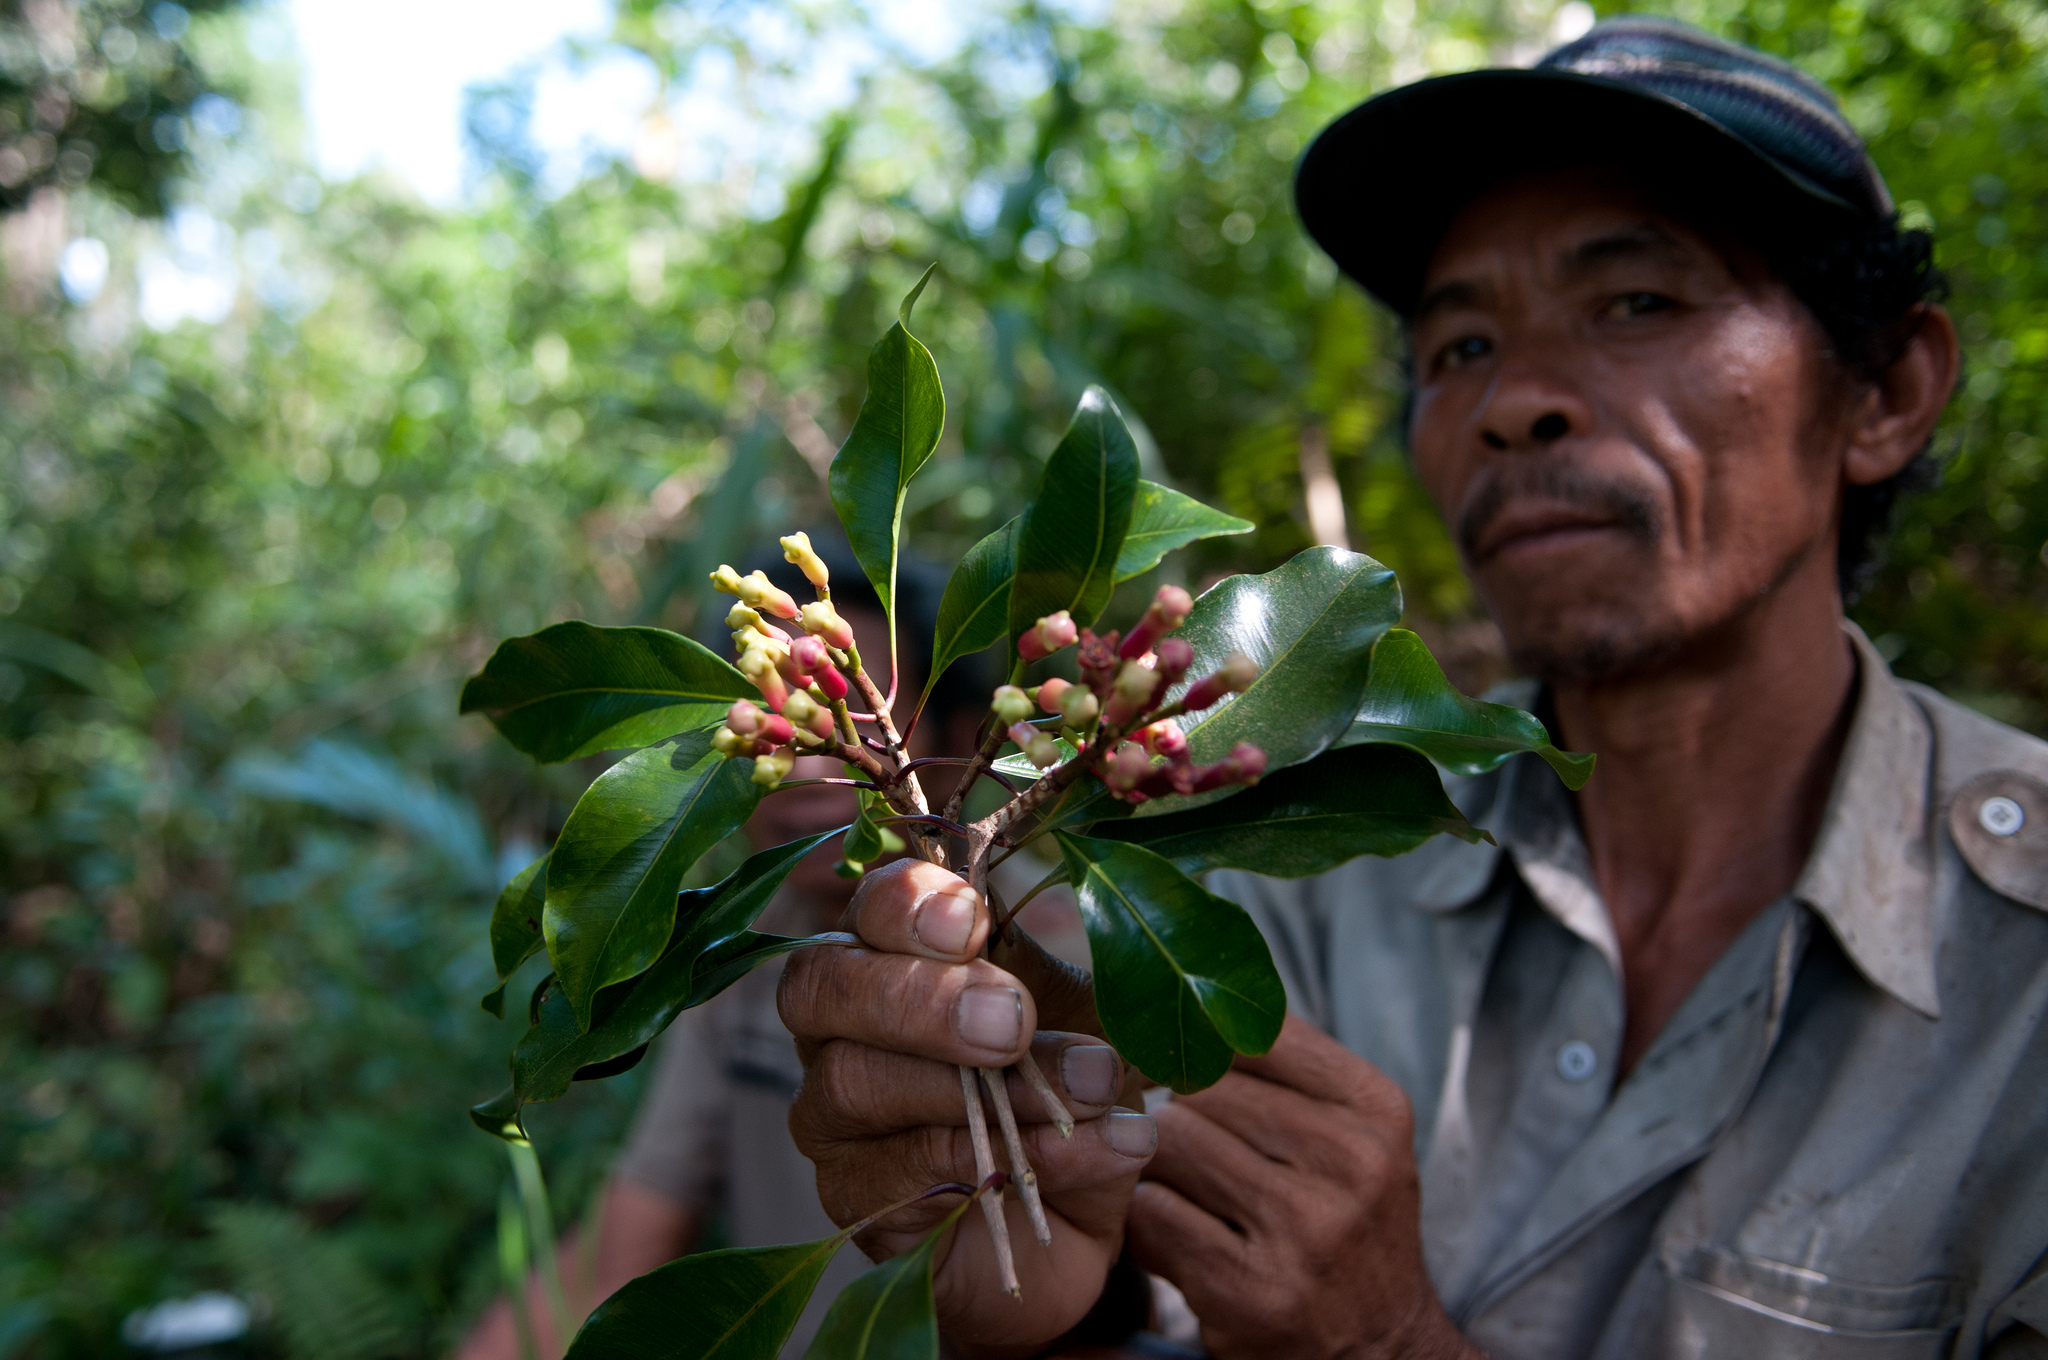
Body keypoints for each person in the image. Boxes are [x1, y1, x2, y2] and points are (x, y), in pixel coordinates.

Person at [776, 18, 2048, 1359]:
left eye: (1639, 303)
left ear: (1888, 391)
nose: (1516, 403)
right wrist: (1040, 1312)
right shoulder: (1296, 867)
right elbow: (1120, 1277)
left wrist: (1388, 1344)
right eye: (1459, 349)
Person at [454, 545, 1089, 1359]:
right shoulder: (728, 956)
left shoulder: (1072, 947)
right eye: (783, 730)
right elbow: (631, 1232)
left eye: (843, 724)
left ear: (963, 738)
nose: (816, 767)